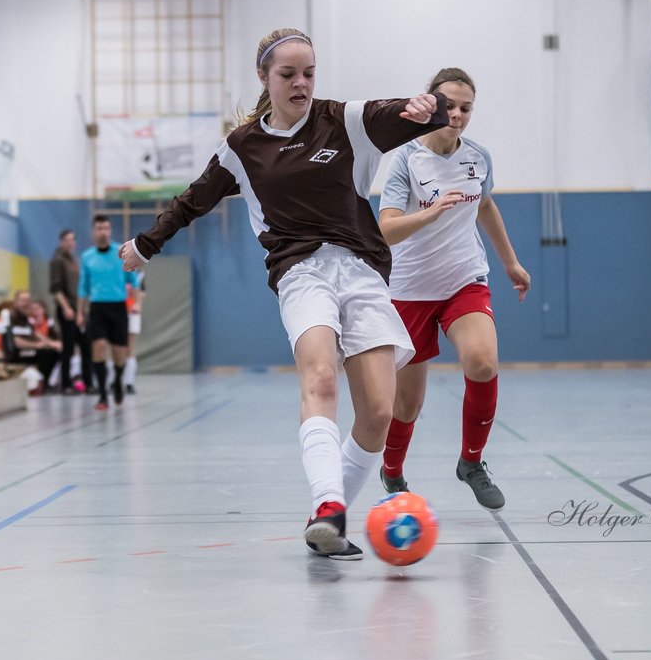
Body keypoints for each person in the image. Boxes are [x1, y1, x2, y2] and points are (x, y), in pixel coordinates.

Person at [119, 28, 448, 559]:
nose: (301, 83)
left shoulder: (345, 120)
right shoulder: (242, 147)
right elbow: (190, 202)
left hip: (363, 272)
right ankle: (327, 507)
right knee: (319, 377)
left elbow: (421, 117)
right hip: (301, 271)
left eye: (309, 73)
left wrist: (426, 104)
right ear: (264, 78)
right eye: (288, 74)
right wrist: (145, 243)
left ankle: (327, 519)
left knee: (378, 414)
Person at [376, 68, 531, 510]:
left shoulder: (478, 158)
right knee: (407, 405)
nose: (457, 114)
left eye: (466, 108)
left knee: (482, 361)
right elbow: (385, 229)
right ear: (431, 103)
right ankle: (391, 472)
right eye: (449, 105)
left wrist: (510, 262)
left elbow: (485, 205)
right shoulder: (405, 159)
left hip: (464, 280)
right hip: (409, 290)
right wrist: (428, 214)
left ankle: (472, 462)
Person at [78, 215, 139, 410]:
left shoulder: (120, 252)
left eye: (106, 228)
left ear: (110, 230)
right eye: (99, 228)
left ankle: (119, 382)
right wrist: (80, 312)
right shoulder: (87, 257)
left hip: (118, 307)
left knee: (119, 352)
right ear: (93, 232)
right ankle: (103, 395)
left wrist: (136, 303)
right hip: (97, 308)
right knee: (98, 347)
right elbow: (83, 287)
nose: (102, 232)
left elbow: (134, 281)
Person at [49, 229, 89, 393]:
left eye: (73, 240)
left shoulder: (73, 260)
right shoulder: (57, 261)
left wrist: (80, 311)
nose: (71, 243)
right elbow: (56, 288)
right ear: (61, 241)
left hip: (77, 309)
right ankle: (65, 383)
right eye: (68, 240)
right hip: (66, 308)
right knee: (68, 346)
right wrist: (66, 307)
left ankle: (88, 381)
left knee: (86, 345)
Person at [6, 291, 62, 395]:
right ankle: (41, 384)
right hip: (16, 353)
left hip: (28, 349)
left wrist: (52, 343)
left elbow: (37, 334)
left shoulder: (26, 318)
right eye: (23, 300)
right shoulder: (13, 317)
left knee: (53, 352)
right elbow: (16, 341)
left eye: (28, 300)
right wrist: (36, 345)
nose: (26, 303)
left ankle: (43, 383)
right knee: (46, 354)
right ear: (15, 302)